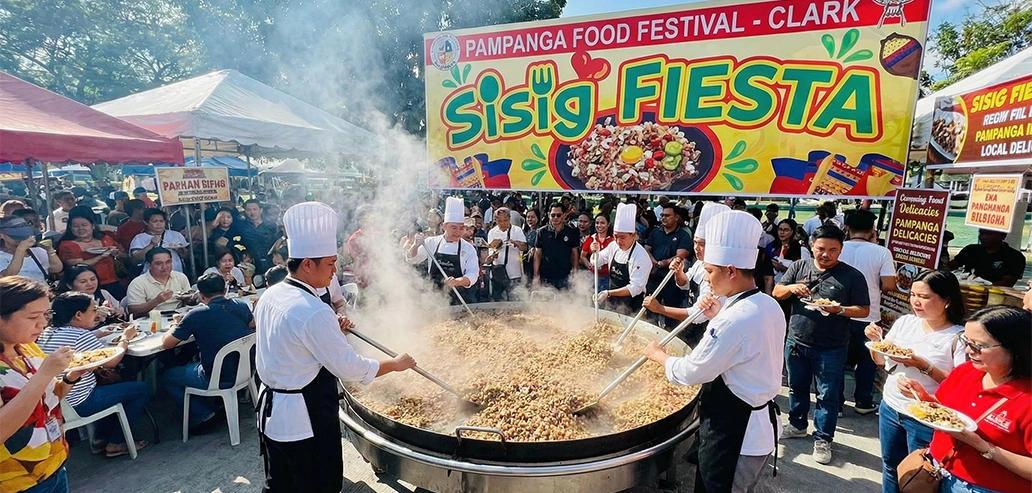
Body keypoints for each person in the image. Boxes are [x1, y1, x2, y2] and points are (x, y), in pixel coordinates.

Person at [254, 202, 416, 493]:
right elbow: (351, 370)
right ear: (307, 264)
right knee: (318, 486)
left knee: (279, 485)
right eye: (330, 264)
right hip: (304, 420)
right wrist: (396, 363)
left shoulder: (272, 294)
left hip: (271, 416)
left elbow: (291, 345)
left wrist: (331, 329)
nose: (335, 271)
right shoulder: (314, 311)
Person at [644, 210, 785, 493]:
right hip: (759, 427)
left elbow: (692, 371)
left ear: (731, 271)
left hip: (737, 434)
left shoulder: (734, 321)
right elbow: (747, 346)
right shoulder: (767, 304)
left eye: (709, 271)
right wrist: (718, 314)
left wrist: (658, 354)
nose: (706, 280)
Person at [900, 306, 1032, 493]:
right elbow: (943, 411)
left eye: (979, 346)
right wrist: (923, 397)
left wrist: (984, 447)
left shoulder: (1027, 398)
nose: (969, 351)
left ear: (1014, 347)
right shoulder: (966, 372)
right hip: (936, 473)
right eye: (966, 341)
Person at [773, 225, 870, 464]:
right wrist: (791, 288)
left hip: (832, 346)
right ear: (811, 247)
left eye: (832, 250)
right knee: (796, 386)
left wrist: (840, 310)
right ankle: (796, 425)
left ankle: (824, 438)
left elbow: (863, 309)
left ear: (841, 249)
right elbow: (777, 291)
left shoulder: (852, 276)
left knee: (827, 395)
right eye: (820, 249)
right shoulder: (799, 266)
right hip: (796, 339)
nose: (825, 254)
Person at [863, 270, 967, 493]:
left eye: (924, 297)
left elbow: (960, 386)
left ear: (947, 300)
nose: (916, 302)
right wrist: (874, 341)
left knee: (922, 473)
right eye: (912, 295)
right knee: (891, 466)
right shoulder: (906, 322)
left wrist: (922, 365)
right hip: (891, 406)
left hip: (925, 416)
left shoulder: (959, 337)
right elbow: (881, 359)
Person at [37, 292, 149, 458]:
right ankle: (116, 442)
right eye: (94, 309)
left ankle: (100, 437)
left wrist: (98, 335)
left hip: (58, 402)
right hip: (81, 401)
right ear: (79, 315)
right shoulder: (81, 335)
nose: (97, 313)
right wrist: (125, 338)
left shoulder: (46, 333)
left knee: (111, 386)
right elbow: (112, 362)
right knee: (141, 389)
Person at [0, 277, 85, 493]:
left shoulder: (27, 348)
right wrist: (45, 373)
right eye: (33, 317)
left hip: (54, 465)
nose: (43, 324)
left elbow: (50, 397)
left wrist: (72, 376)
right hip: (16, 482)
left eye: (46, 315)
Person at [162, 272, 253, 434]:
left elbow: (167, 343)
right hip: (246, 369)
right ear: (225, 290)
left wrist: (174, 327)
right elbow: (252, 325)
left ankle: (202, 414)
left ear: (201, 296)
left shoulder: (197, 315)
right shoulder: (240, 305)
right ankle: (212, 405)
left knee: (169, 376)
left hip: (215, 377)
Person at [838, 209, 897, 415]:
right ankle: (863, 402)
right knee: (867, 360)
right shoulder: (881, 252)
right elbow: (889, 284)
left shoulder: (838, 248)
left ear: (846, 228)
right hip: (869, 314)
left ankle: (836, 403)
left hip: (839, 313)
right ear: (873, 229)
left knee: (837, 358)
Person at [646, 202, 730, 347]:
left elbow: (698, 314)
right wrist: (678, 272)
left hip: (708, 331)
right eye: (695, 243)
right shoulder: (699, 263)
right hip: (691, 326)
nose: (696, 248)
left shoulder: (718, 274)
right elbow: (684, 284)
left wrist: (660, 309)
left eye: (702, 244)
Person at [406, 197, 479, 305]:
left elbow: (473, 274)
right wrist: (415, 246)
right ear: (444, 226)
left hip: (458, 298)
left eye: (461, 228)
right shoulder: (431, 242)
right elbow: (412, 259)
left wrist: (457, 281)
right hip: (433, 296)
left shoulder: (468, 248)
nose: (458, 232)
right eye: (454, 228)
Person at [593, 203, 653, 315]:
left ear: (633, 235)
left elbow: (635, 288)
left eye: (623, 237)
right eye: (615, 236)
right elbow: (597, 261)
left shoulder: (641, 257)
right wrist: (595, 252)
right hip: (611, 303)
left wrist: (609, 293)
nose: (618, 241)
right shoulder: (613, 246)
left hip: (631, 306)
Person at [56, 207, 125, 299]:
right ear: (70, 228)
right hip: (86, 288)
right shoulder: (67, 245)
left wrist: (117, 253)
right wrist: (101, 256)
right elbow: (77, 266)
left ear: (92, 225)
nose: (80, 229)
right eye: (76, 226)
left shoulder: (106, 238)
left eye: (84, 225)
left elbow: (125, 255)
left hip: (114, 282)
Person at [645, 203, 692, 327]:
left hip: (672, 280)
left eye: (667, 215)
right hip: (654, 278)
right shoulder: (655, 232)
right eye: (662, 215)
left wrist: (664, 263)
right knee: (651, 309)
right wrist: (654, 262)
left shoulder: (683, 235)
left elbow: (681, 254)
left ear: (676, 217)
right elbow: (647, 248)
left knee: (671, 310)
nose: (663, 218)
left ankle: (671, 334)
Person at [125, 248, 192, 317]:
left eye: (168, 262)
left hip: (180, 316)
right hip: (152, 319)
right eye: (159, 263)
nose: (165, 267)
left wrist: (190, 298)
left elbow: (189, 300)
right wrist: (157, 301)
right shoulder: (138, 283)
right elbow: (133, 310)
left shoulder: (180, 277)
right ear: (149, 265)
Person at [949, 229, 1026, 287]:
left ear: (1003, 235)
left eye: (988, 234)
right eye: (981, 233)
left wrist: (982, 288)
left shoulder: (1015, 257)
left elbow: (1008, 282)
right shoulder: (971, 250)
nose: (983, 237)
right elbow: (951, 266)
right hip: (967, 292)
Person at [533, 203, 580, 290]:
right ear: (548, 215)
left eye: (558, 215)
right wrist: (536, 276)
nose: (555, 218)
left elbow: (575, 255)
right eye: (553, 215)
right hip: (545, 276)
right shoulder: (541, 232)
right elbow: (537, 254)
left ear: (564, 215)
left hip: (565, 276)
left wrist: (575, 274)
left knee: (565, 302)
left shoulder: (572, 232)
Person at [0, 216, 62, 281]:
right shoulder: (2, 256)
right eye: (16, 235)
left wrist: (50, 250)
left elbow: (56, 269)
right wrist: (20, 250)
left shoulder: (37, 251)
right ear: (1, 235)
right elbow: (7, 276)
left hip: (40, 289)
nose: (21, 238)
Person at [58, 264, 125, 324]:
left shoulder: (103, 293)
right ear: (70, 285)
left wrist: (119, 312)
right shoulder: (64, 302)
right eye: (83, 281)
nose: (90, 284)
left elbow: (121, 310)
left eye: (93, 279)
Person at [130, 208, 189, 274]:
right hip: (150, 276)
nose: (159, 224)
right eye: (155, 221)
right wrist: (151, 245)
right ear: (146, 222)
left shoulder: (176, 235)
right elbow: (136, 259)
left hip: (176, 273)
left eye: (161, 221)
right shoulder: (139, 238)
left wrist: (182, 251)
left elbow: (186, 256)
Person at [486, 207, 527, 301]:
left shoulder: (517, 230)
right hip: (498, 273)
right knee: (497, 301)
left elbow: (524, 247)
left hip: (514, 273)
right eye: (499, 220)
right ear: (495, 220)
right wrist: (492, 256)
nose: (503, 223)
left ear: (509, 218)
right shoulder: (492, 232)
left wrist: (516, 243)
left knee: (515, 301)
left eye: (505, 220)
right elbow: (490, 252)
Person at [232, 199, 282, 274]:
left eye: (255, 209)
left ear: (260, 210)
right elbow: (235, 243)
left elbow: (278, 242)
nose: (252, 212)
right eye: (249, 210)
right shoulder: (240, 227)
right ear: (245, 211)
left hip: (270, 262)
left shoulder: (271, 226)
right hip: (250, 264)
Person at [581, 213, 614, 292]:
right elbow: (582, 256)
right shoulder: (591, 239)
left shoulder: (613, 240)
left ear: (608, 224)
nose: (599, 225)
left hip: (608, 277)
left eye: (602, 223)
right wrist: (589, 265)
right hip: (592, 276)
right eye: (597, 223)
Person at [523, 208, 541, 288]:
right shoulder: (525, 231)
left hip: (535, 263)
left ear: (538, 218)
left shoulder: (540, 232)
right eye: (528, 217)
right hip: (525, 263)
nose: (530, 219)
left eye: (532, 217)